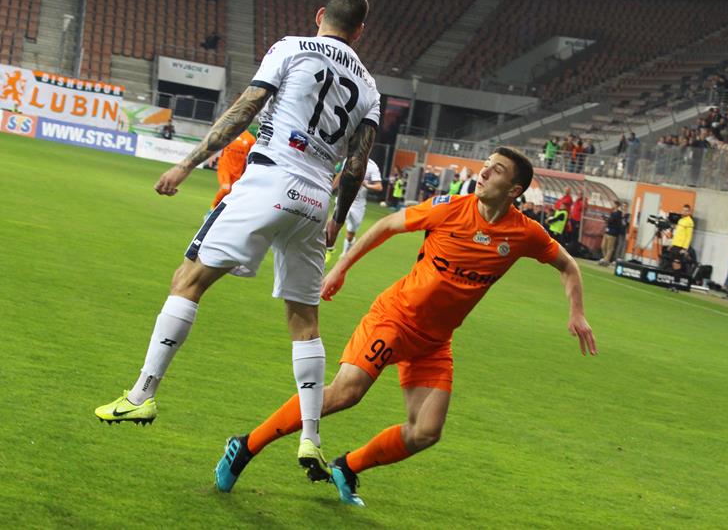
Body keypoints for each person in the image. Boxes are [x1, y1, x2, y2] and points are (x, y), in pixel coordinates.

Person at [94, 0, 380, 482]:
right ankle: (311, 434)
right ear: (360, 31)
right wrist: (335, 218)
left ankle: (142, 394)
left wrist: (187, 163)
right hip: (315, 201)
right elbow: (356, 161)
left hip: (270, 179)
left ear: (320, 15)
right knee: (305, 320)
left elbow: (246, 108)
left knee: (188, 280)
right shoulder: (370, 86)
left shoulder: (292, 48)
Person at [213, 146, 597, 505]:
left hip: (434, 342)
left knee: (426, 431)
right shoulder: (449, 209)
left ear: (514, 190)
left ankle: (347, 467)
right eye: (485, 166)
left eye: (495, 171)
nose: (482, 174)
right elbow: (388, 225)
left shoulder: (525, 233)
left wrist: (577, 312)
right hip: (395, 318)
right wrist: (342, 268)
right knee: (346, 393)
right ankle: (245, 446)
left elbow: (568, 266)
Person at [333, 158, 383, 257]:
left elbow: (379, 187)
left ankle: (345, 253)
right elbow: (341, 175)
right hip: (343, 198)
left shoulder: (372, 166)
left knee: (351, 232)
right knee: (335, 224)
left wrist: (367, 185)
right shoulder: (349, 159)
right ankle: (329, 248)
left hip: (358, 205)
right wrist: (331, 188)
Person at [209, 129, 256, 211]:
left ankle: (219, 213)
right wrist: (212, 155)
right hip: (224, 167)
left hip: (238, 171)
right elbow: (218, 143)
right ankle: (212, 209)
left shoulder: (250, 139)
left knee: (231, 195)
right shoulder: (230, 133)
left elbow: (253, 155)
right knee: (225, 188)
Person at [667, 204, 694, 271]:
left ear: (689, 212)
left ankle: (678, 275)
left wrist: (685, 248)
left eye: (686, 211)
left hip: (681, 246)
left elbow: (688, 236)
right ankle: (675, 274)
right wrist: (672, 244)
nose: (684, 212)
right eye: (683, 210)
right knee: (673, 262)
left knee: (677, 262)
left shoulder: (689, 222)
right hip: (675, 244)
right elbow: (677, 234)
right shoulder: (680, 220)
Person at [599, 201, 622, 266]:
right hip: (607, 231)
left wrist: (607, 219)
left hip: (613, 232)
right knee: (603, 246)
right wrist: (606, 219)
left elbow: (613, 221)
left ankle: (606, 261)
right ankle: (606, 259)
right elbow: (609, 220)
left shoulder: (618, 213)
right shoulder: (612, 212)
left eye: (614, 204)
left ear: (617, 205)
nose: (613, 205)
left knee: (610, 248)